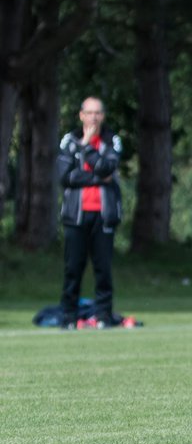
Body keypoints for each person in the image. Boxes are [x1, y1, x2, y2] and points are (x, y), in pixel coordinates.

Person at [57, 96, 125, 329]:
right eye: (89, 112)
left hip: (104, 215)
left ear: (103, 116)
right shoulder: (69, 140)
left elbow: (108, 167)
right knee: (73, 268)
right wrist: (98, 178)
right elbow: (65, 177)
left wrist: (87, 150)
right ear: (81, 115)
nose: (93, 117)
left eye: (98, 113)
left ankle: (104, 316)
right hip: (76, 215)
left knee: (103, 269)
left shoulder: (111, 140)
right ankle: (67, 317)